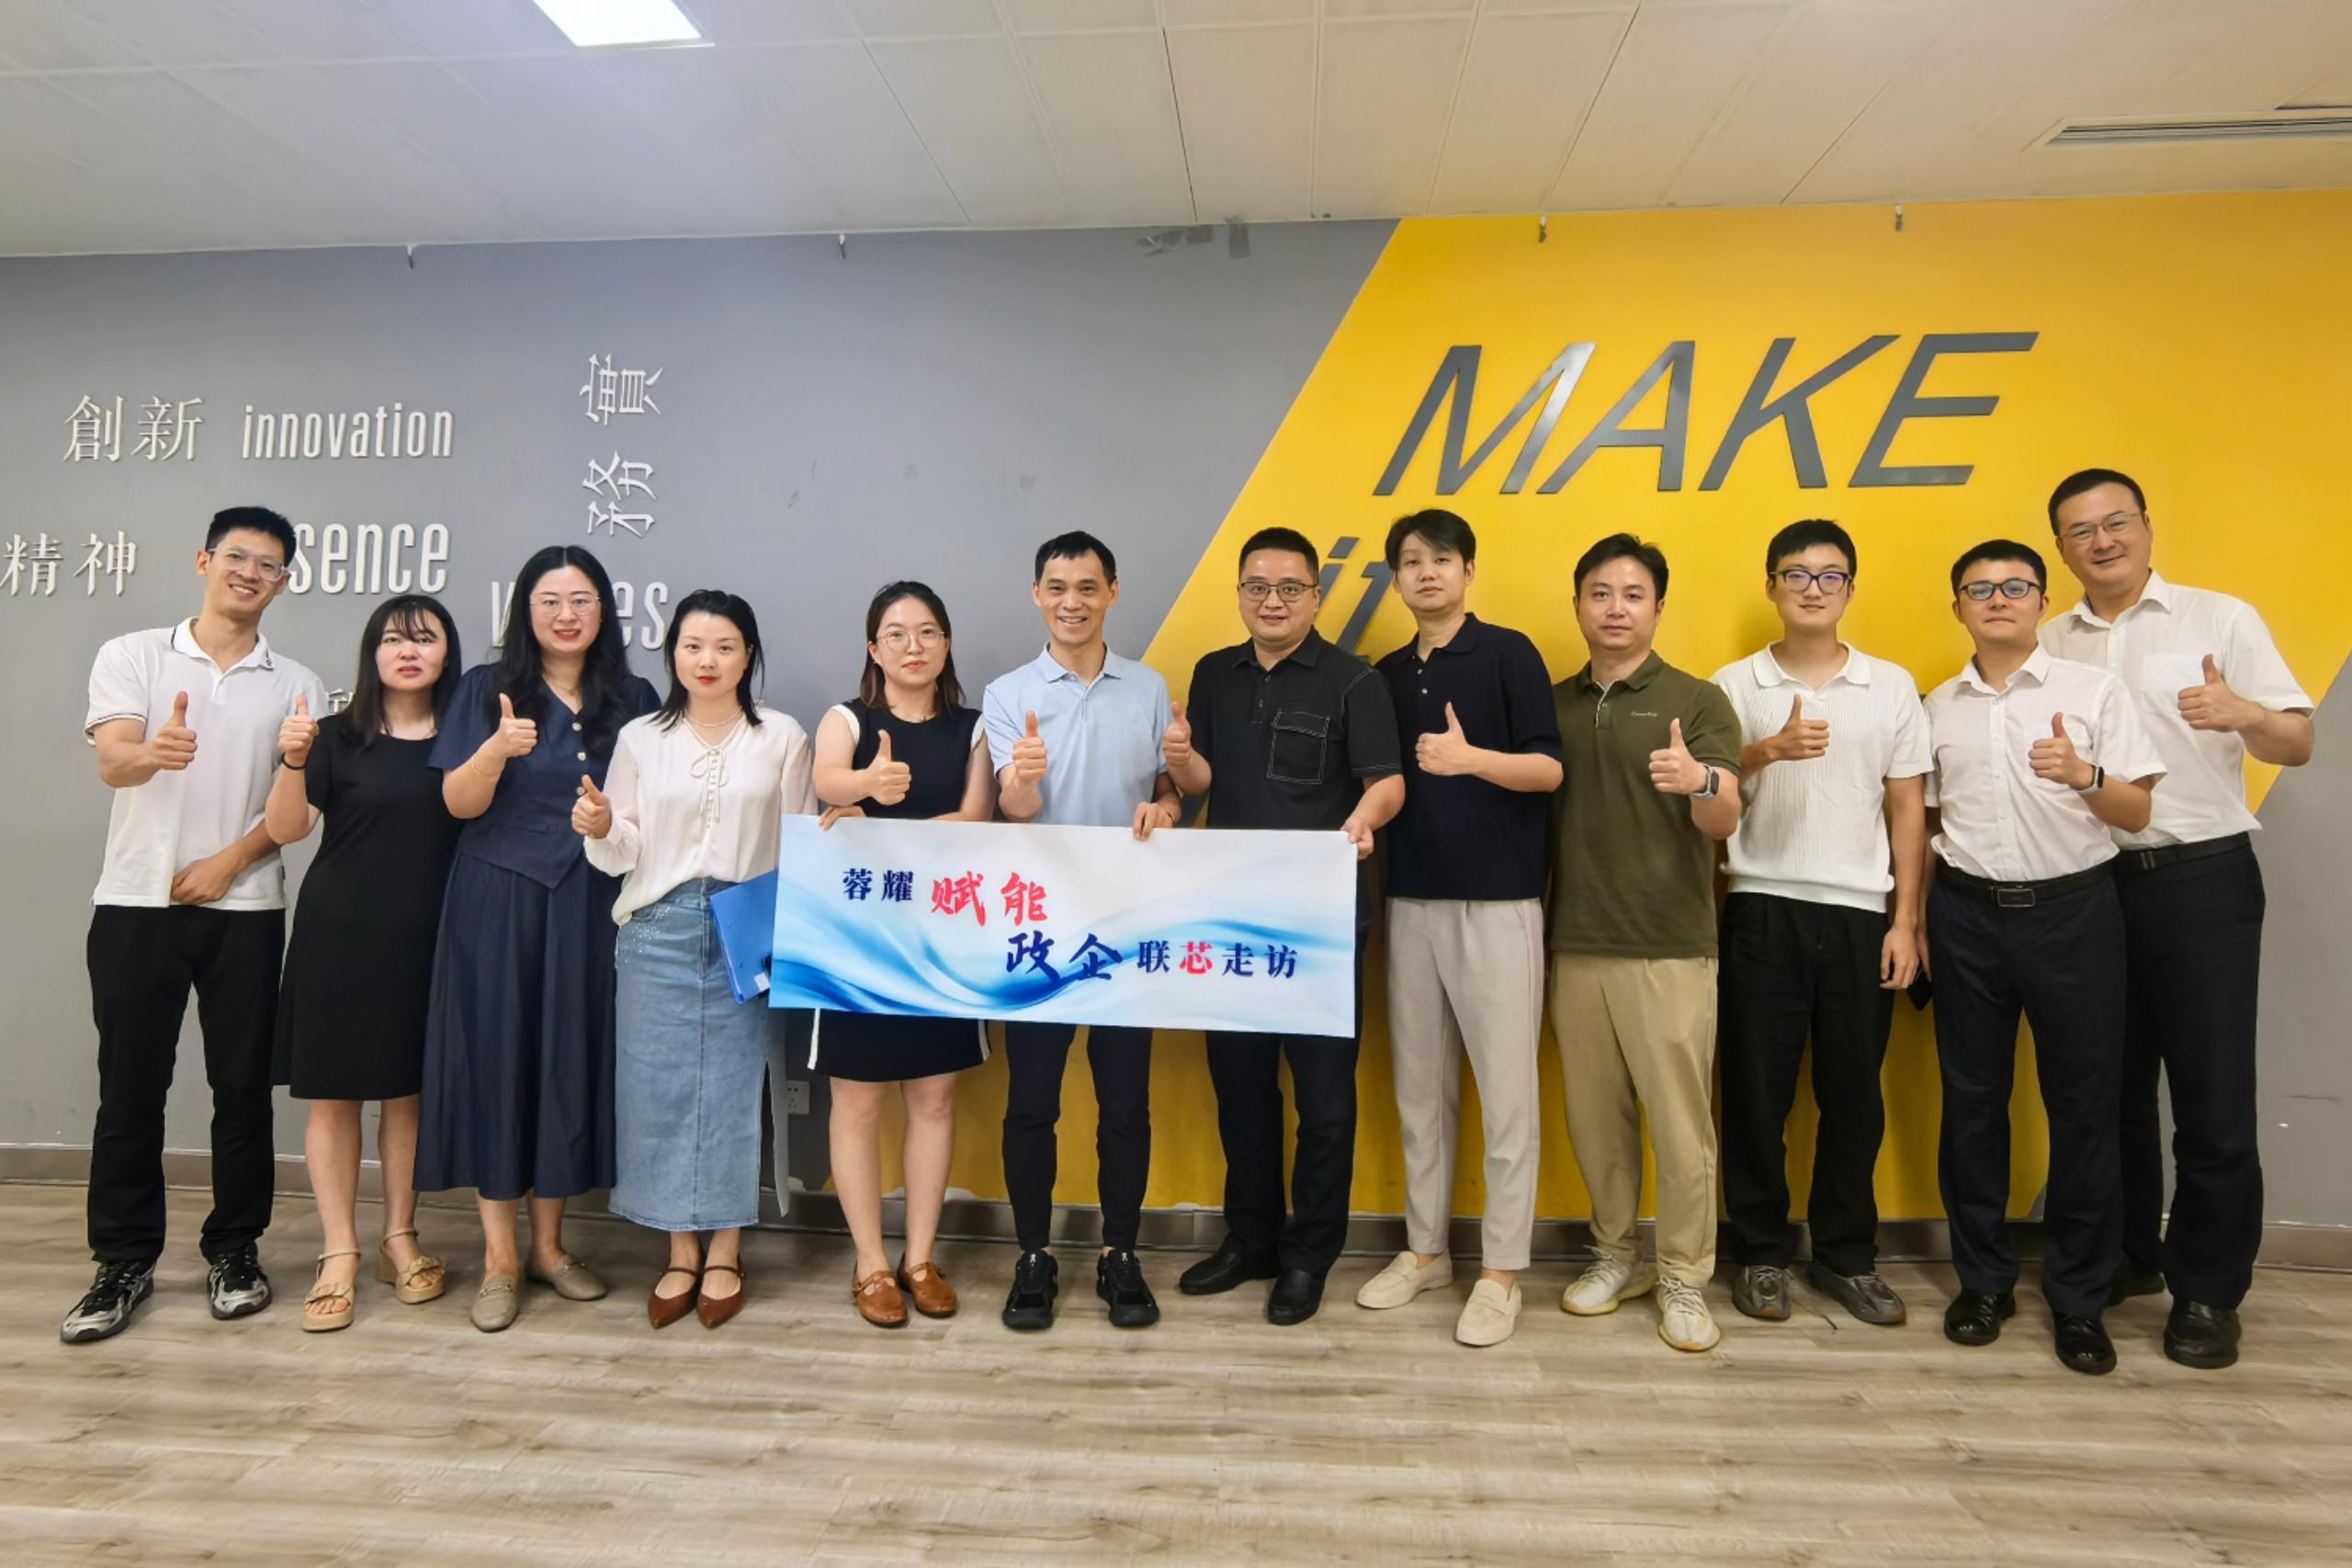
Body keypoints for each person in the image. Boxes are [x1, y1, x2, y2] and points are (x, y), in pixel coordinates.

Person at [2039, 468, 2314, 1370]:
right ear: (2061, 549)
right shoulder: (2049, 641)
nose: (2102, 541)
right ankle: (2127, 1254)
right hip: (2087, 884)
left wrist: (2244, 713)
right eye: (2081, 531)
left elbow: (2296, 741)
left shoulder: (2218, 619)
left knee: (2211, 1093)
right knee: (2106, 1089)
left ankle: (2207, 1289)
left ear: (2146, 526)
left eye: (2116, 522)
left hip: (2199, 878)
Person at [64, 506, 325, 1344]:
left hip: (245, 911)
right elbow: (114, 759)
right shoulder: (134, 654)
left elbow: (292, 817)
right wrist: (154, 752)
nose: (251, 572)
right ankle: (122, 1261)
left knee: (241, 1091)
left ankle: (235, 1250)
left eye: (269, 564)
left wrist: (226, 864)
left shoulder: (298, 683)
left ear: (283, 582)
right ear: (205, 561)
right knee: (129, 1090)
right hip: (135, 903)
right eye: (237, 556)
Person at [1924, 539, 2163, 1376]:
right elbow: (1925, 821)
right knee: (1972, 1103)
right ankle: (1983, 1282)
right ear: (1958, 605)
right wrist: (1916, 921)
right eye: (1979, 588)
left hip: (2075, 916)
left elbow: (2136, 810)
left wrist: (2084, 772)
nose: (1998, 599)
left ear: (2042, 600)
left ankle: (2080, 1297)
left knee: (2085, 1109)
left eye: (2016, 586)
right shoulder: (1937, 705)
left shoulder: (2091, 691)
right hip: (1966, 916)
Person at [419, 545, 659, 1333]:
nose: (566, 614)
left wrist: (611, 820)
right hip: (498, 897)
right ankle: (498, 1257)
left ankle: (550, 1248)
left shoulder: (633, 696)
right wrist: (496, 749)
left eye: (582, 599)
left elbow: (654, 804)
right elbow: (457, 802)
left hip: (590, 901)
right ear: (525, 610)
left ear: (603, 611)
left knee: (564, 1059)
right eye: (550, 600)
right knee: (500, 1060)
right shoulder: (485, 687)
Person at [1170, 527, 1404, 1328]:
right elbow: (1198, 782)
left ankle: (1308, 1256)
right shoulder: (1213, 673)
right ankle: (1251, 1240)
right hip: (1231, 915)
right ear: (1239, 593)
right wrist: (1177, 769)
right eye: (1257, 587)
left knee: (1325, 1100)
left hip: (1320, 922)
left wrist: (1365, 819)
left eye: (1289, 588)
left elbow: (1387, 783)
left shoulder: (1355, 680)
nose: (1272, 601)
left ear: (1316, 595)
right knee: (1241, 1089)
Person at [1711, 521, 1929, 1328]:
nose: (1812, 587)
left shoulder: (1892, 685)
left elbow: (1908, 808)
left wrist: (1907, 921)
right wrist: (1766, 749)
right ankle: (1760, 1253)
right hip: (1760, 904)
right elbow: (1706, 785)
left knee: (1854, 1100)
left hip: (1860, 914)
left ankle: (1846, 1255)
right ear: (1771, 585)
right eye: (1796, 573)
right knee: (1755, 1095)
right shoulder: (1734, 684)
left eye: (1830, 575)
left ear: (1849, 588)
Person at [578, 591, 810, 1331]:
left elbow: (802, 840)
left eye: (724, 646)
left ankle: (726, 1251)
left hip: (746, 924)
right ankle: (679, 1249)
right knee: (658, 1090)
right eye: (692, 645)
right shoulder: (643, 737)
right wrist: (602, 824)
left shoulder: (781, 735)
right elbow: (621, 850)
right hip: (658, 925)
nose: (707, 660)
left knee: (735, 1090)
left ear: (749, 655)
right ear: (672, 652)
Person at [1357, 508, 1561, 1348]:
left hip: (1500, 904)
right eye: (1411, 561)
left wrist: (1470, 759)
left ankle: (1503, 1271)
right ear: (1395, 578)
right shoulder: (1383, 673)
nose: (1427, 572)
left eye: (1442, 559)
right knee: (1420, 1091)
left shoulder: (1509, 653)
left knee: (1508, 1094)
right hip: (1410, 902)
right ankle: (1427, 1250)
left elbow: (1549, 769)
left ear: (1468, 571)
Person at [982, 530, 1182, 1331]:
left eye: (1088, 587)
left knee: (1125, 1101)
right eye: (1058, 587)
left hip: (1127, 921)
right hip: (1039, 922)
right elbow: (1013, 807)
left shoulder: (1150, 687)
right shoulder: (1008, 693)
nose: (1073, 602)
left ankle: (1118, 1253)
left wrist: (1166, 807)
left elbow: (1170, 791)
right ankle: (1033, 1255)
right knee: (1031, 1101)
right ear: (1037, 594)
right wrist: (1025, 781)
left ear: (1112, 593)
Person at [1548, 534, 1742, 1354]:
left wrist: (1699, 780)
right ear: (1579, 605)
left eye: (1633, 594)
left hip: (1670, 946)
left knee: (1681, 1127)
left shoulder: (1697, 700)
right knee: (1597, 1122)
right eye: (1600, 593)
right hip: (1574, 942)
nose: (1616, 608)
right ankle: (1616, 1254)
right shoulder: (1551, 704)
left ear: (1658, 606)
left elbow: (1724, 816)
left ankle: (1684, 1274)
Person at [265, 594, 465, 1332]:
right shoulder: (332, 734)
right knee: (335, 1097)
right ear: (371, 654)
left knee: (408, 1095)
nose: (408, 651)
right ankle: (339, 1251)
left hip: (430, 939)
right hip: (338, 936)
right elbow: (286, 827)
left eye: (424, 638)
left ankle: (398, 1238)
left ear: (448, 653)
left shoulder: (467, 738)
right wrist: (293, 760)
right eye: (393, 639)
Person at [808, 581, 996, 1329]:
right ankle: (870, 1263)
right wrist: (867, 783)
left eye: (927, 632)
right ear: (873, 648)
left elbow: (977, 819)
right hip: (855, 937)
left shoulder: (976, 728)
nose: (912, 645)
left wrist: (883, 826)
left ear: (946, 643)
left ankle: (920, 1258)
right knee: (857, 1101)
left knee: (934, 1097)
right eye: (896, 632)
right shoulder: (846, 719)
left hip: (941, 938)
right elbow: (826, 781)